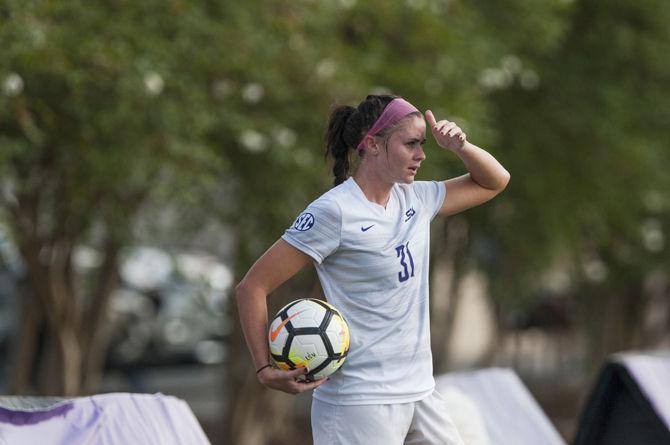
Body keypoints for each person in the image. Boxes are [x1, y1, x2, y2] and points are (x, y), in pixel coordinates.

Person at [235, 94, 510, 444]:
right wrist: (263, 369)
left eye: (423, 144)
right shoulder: (333, 212)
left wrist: (461, 146)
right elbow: (252, 287)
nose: (421, 154)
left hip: (421, 393)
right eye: (411, 144)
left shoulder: (417, 198)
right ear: (373, 145)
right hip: (359, 404)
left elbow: (495, 181)